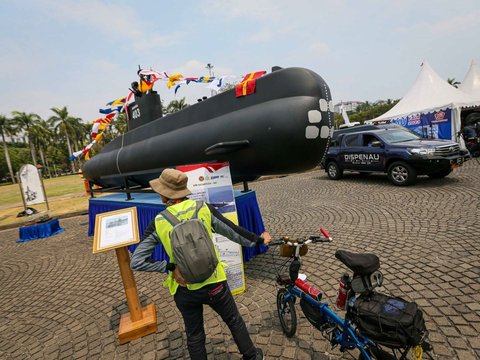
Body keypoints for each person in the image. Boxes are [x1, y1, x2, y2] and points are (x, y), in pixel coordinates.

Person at [130, 168, 271, 360]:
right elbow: (234, 232)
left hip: (184, 287)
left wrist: (169, 267)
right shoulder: (203, 208)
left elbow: (136, 261)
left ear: (165, 196)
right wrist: (259, 240)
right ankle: (252, 356)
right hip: (215, 282)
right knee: (233, 320)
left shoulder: (160, 221)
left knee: (195, 335)